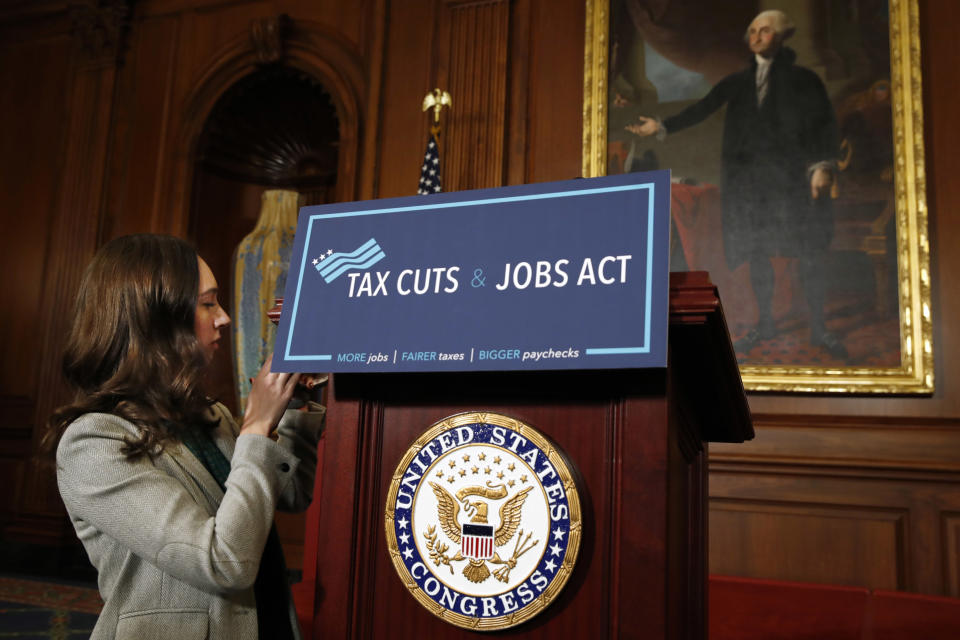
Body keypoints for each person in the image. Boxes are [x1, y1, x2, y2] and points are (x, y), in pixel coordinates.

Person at [46, 234, 325, 639]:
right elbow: (223, 563)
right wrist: (256, 427)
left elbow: (292, 495)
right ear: (156, 319)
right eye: (208, 303)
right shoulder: (93, 443)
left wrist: (295, 407)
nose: (224, 317)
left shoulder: (209, 416)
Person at [629, 10, 846, 357]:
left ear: (781, 36)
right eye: (754, 31)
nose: (758, 36)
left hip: (791, 183)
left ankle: (819, 328)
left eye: (766, 30)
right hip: (751, 188)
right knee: (757, 253)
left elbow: (824, 124)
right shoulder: (740, 80)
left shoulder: (805, 80)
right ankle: (766, 323)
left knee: (808, 254)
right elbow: (703, 107)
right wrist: (661, 126)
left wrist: (822, 166)